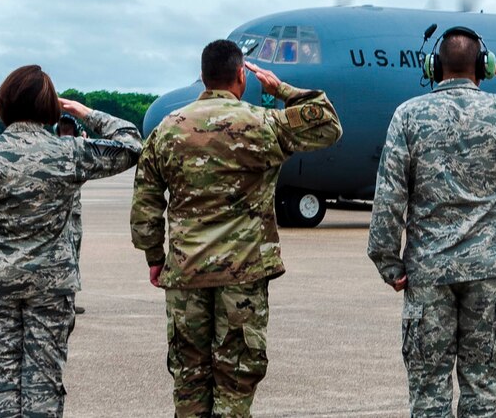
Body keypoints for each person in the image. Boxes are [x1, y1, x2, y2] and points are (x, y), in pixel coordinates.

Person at [367, 26, 496, 418]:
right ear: (484, 67)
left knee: (428, 396)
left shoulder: (408, 116)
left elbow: (389, 197)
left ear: (434, 67)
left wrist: (388, 263)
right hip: (487, 272)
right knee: (482, 396)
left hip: (428, 272)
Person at [132, 40, 343, 417]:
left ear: (202, 77)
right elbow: (327, 124)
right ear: (241, 76)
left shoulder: (167, 129)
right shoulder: (262, 123)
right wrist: (282, 90)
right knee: (236, 377)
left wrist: (154, 256)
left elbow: (146, 200)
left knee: (189, 376)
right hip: (243, 273)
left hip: (185, 272)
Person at [0, 67, 142, 418]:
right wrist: (83, 112)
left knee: (4, 384)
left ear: (3, 103)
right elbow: (130, 143)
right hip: (51, 286)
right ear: (50, 107)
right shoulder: (68, 152)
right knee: (43, 387)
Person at [53, 113, 88, 316]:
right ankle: (68, 303)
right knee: (71, 257)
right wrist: (83, 145)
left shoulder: (51, 149)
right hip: (71, 216)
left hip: (53, 214)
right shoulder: (76, 151)